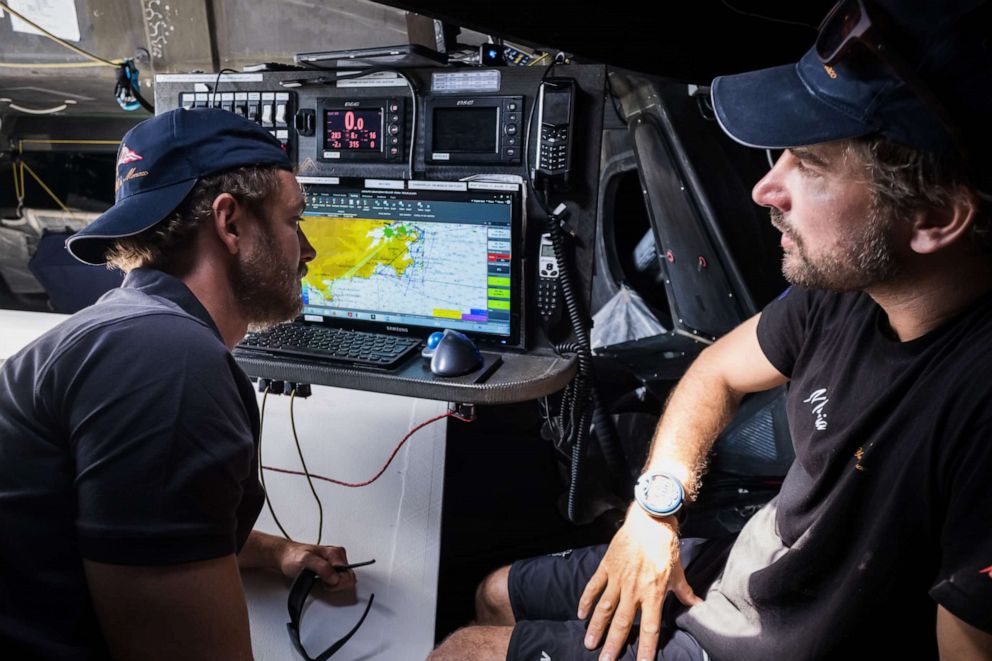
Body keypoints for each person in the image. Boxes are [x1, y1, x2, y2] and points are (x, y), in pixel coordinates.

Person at [431, 0, 992, 659]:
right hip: (743, 575)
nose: (766, 187)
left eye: (809, 165)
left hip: (773, 643)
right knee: (494, 593)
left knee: (463, 649)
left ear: (932, 218)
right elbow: (717, 370)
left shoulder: (977, 403)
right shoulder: (847, 293)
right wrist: (654, 510)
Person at [0, 108, 355, 660]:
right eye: (293, 221)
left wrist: (274, 553)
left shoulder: (127, 326)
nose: (305, 251)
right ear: (230, 223)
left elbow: (130, 529)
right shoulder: (166, 361)